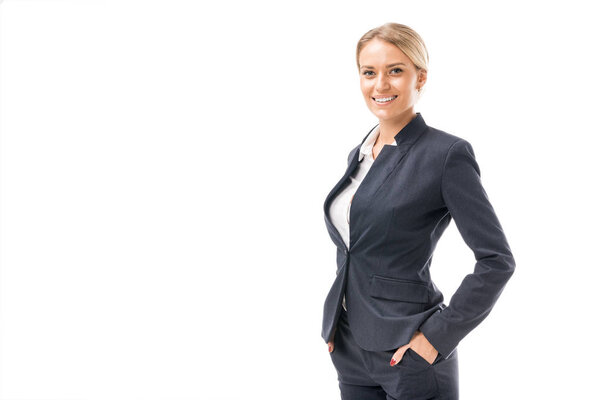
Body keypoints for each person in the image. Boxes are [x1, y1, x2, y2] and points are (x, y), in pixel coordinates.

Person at [321, 23, 516, 400]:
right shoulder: (359, 155)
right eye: (369, 72)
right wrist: (336, 327)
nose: (381, 85)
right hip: (349, 349)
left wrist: (435, 340)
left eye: (395, 70)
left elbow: (497, 261)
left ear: (420, 77)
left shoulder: (445, 155)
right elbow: (353, 247)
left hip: (409, 353)